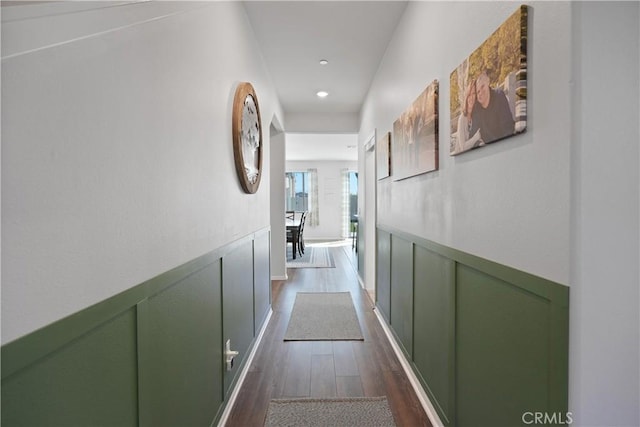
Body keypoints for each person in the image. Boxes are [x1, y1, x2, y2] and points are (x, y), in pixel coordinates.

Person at [470, 71, 515, 144]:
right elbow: (473, 134)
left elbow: (508, 127)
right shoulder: (476, 109)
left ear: (488, 83)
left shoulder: (499, 96)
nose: (481, 92)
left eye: (482, 86)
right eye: (478, 92)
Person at [454, 80, 484, 154]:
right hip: (461, 158)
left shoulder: (476, 115)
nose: (471, 97)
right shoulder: (462, 119)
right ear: (466, 97)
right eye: (469, 94)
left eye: (473, 94)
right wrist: (477, 137)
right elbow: (463, 147)